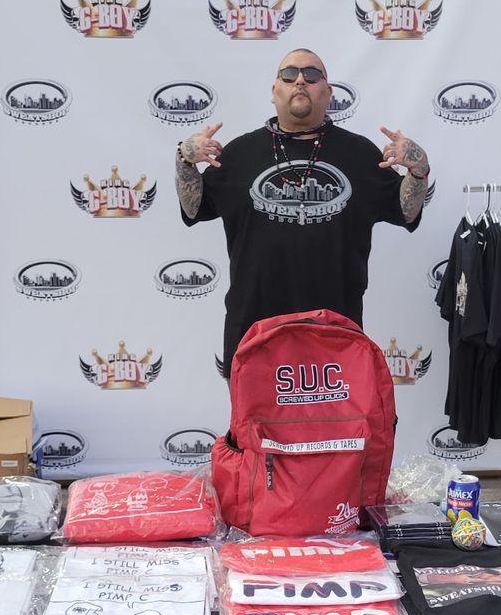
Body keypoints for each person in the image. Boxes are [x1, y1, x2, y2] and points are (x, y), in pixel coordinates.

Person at [175, 47, 429, 378]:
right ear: (274, 91)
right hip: (254, 335)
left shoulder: (361, 154)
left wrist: (418, 171)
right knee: (254, 416)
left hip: (337, 336)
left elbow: (406, 212)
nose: (300, 81)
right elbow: (193, 207)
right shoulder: (238, 154)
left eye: (311, 74)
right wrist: (184, 160)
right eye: (289, 74)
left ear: (328, 91)